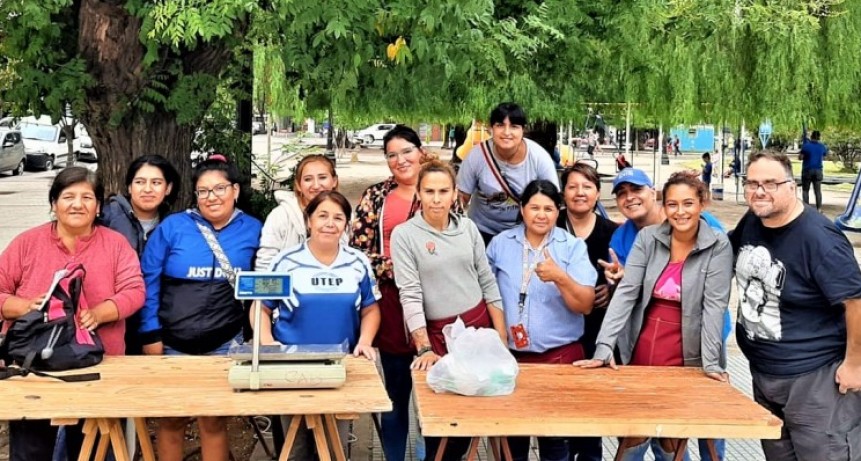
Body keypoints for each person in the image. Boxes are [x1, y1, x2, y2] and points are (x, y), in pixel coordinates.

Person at [575, 171, 733, 461]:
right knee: (637, 427)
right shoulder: (647, 238)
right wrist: (604, 346)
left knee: (676, 430)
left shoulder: (718, 243)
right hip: (646, 341)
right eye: (672, 204)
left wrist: (710, 362)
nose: (680, 211)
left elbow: (714, 306)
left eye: (688, 203)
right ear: (664, 204)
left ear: (702, 204)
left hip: (689, 343)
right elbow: (626, 293)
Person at [0, 167, 145, 461]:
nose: (78, 204)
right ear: (54, 204)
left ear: (98, 206)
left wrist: (101, 312)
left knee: (96, 451)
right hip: (34, 369)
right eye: (68, 197)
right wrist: (26, 306)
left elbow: (135, 290)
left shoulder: (115, 244)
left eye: (87, 197)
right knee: (31, 450)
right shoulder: (27, 243)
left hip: (98, 365)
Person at [731, 150, 861, 460]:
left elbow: (856, 301)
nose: (759, 191)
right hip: (764, 375)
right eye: (752, 183)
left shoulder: (819, 239)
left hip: (816, 381)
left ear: (792, 186)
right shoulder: (753, 220)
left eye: (771, 183)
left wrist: (855, 364)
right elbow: (720, 254)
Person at [140, 156, 262, 461]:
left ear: (235, 190)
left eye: (219, 188)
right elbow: (148, 281)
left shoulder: (253, 230)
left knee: (213, 420)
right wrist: (150, 334)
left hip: (224, 342)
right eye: (203, 191)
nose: (212, 197)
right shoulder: (173, 227)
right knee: (171, 419)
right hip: (172, 343)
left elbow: (266, 287)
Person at [391, 160, 507, 461]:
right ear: (418, 193)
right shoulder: (404, 235)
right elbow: (410, 293)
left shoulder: (468, 228)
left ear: (455, 193)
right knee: (442, 425)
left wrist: (501, 339)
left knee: (475, 417)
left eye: (443, 191)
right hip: (437, 337)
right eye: (429, 191)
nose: (436, 199)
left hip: (478, 330)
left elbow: (487, 281)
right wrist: (424, 347)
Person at [258, 191, 381, 461]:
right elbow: (261, 308)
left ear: (346, 225)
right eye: (322, 215)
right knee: (295, 450)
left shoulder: (357, 262)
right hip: (290, 369)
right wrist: (267, 342)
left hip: (340, 368)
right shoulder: (285, 262)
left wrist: (365, 341)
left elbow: (370, 309)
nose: (329, 223)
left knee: (335, 450)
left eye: (338, 218)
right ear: (309, 221)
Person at [352, 125, 447, 461]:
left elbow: (456, 243)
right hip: (392, 302)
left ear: (420, 151)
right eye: (392, 155)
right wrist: (396, 269)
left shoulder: (440, 190)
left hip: (437, 301)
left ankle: (429, 455)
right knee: (395, 390)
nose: (400, 160)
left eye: (406, 151)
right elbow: (359, 250)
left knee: (435, 388)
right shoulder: (376, 196)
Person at [487, 179, 596, 461]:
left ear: (558, 211)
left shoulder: (572, 247)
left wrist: (560, 277)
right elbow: (486, 294)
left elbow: (585, 305)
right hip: (511, 359)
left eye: (548, 208)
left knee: (556, 443)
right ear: (522, 209)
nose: (541, 215)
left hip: (559, 359)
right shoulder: (500, 244)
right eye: (534, 207)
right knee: (511, 442)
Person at [555, 163, 619, 461]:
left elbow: (629, 278)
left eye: (587, 187)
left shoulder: (613, 232)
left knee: (592, 407)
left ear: (597, 192)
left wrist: (613, 288)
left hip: (597, 328)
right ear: (563, 193)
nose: (579, 193)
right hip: (558, 328)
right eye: (572, 187)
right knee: (559, 410)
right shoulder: (551, 225)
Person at [100, 154, 179, 355]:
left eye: (156, 183)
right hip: (109, 317)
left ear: (168, 188)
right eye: (140, 182)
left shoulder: (175, 226)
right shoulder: (107, 217)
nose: (147, 189)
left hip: (156, 321)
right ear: (129, 187)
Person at [456, 102, 559, 246]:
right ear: (491, 128)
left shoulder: (539, 158)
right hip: (481, 231)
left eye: (514, 126)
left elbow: (552, 201)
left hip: (524, 233)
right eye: (500, 125)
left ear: (523, 130)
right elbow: (461, 198)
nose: (506, 132)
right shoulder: (476, 156)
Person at [257, 154, 340, 271]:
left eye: (322, 177)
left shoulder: (343, 215)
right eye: (308, 179)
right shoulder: (280, 215)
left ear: (334, 181)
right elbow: (265, 264)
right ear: (298, 185)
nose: (316, 185)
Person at [798, 129, 828, 211]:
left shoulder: (806, 146)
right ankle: (819, 208)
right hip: (818, 170)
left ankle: (806, 208)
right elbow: (824, 156)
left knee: (805, 190)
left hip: (807, 169)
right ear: (819, 137)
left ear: (811, 136)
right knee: (818, 190)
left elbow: (800, 158)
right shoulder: (822, 146)